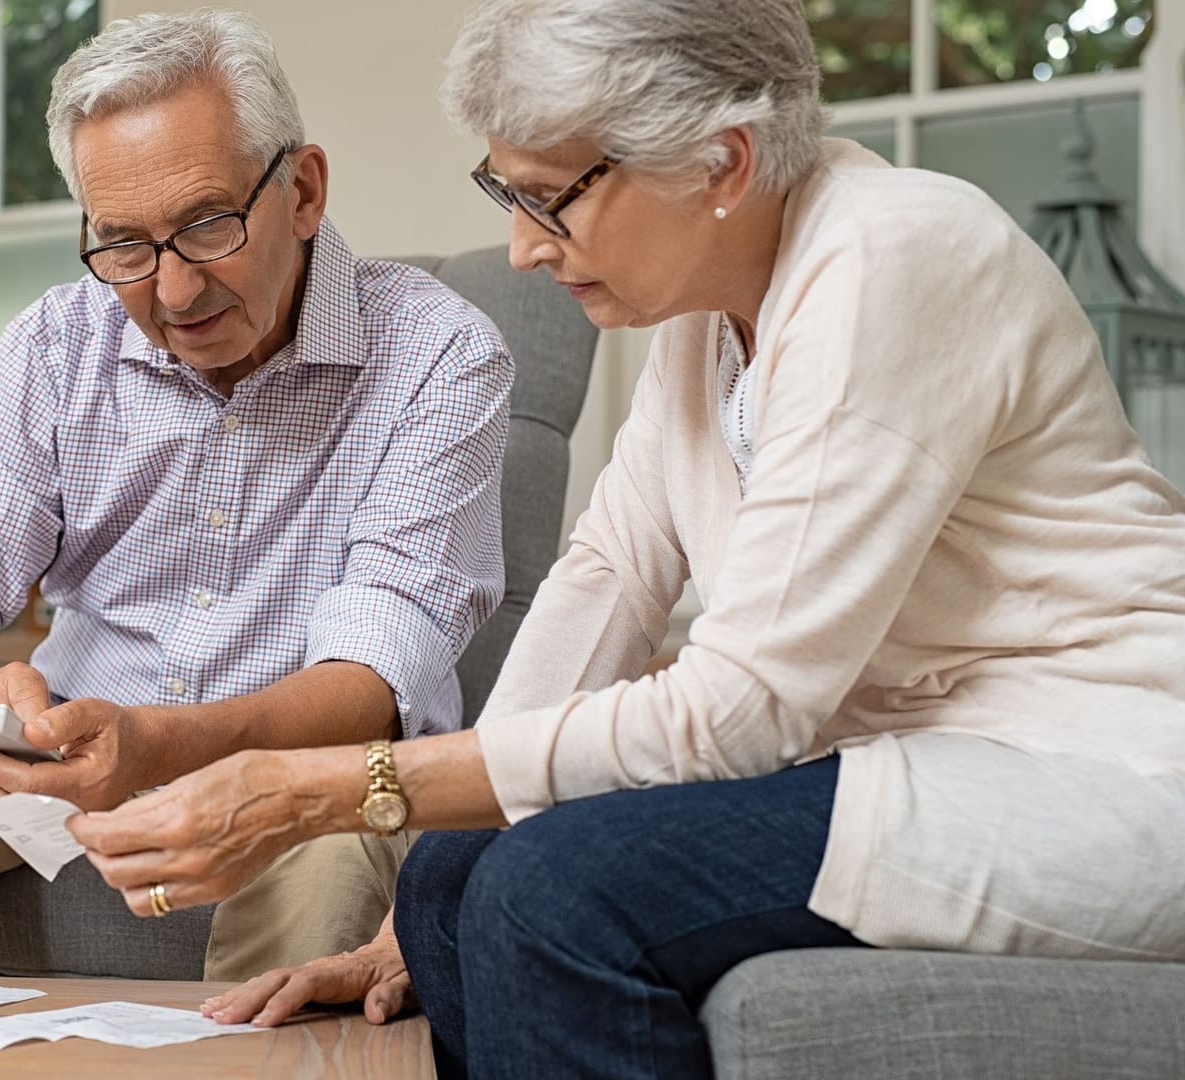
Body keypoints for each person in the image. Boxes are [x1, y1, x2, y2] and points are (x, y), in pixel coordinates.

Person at [67, 0, 1185, 1075]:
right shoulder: (711, 318)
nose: (521, 249)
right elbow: (604, 579)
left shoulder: (896, 257)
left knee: (555, 892)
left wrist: (324, 788)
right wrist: (407, 910)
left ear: (724, 163)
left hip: (1089, 768)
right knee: (458, 871)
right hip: (915, 759)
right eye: (509, 192)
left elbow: (742, 711)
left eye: (552, 198)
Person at [0, 9, 515, 983]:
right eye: (122, 245)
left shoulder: (439, 357)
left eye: (206, 225)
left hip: (301, 770)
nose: (173, 290)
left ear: (305, 190)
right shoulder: (53, 349)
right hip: (65, 754)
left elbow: (374, 675)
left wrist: (155, 747)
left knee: (336, 840)